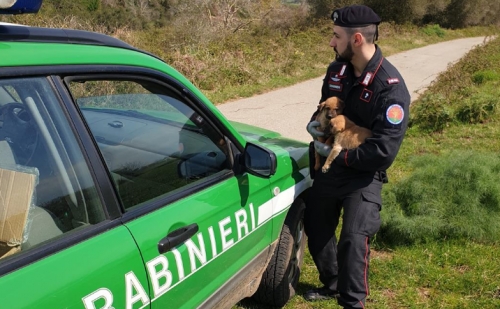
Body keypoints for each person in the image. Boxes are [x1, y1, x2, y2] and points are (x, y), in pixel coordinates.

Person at [303, 4, 410, 309]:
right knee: (316, 224)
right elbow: (324, 107)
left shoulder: (390, 89)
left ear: (357, 39)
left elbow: (383, 151)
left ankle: (352, 302)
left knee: (353, 237)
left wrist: (340, 157)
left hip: (363, 172)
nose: (331, 42)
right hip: (330, 165)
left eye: (336, 36)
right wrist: (317, 124)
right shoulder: (337, 69)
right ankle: (334, 283)